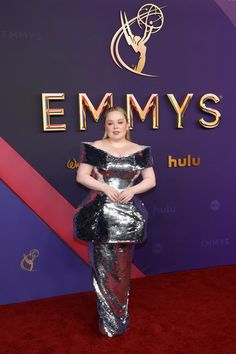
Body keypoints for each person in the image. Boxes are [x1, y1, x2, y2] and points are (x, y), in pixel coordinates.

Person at [73, 106, 156, 337]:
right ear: (105, 126)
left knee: (121, 267)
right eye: (111, 123)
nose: (116, 127)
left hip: (128, 215)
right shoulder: (94, 148)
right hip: (103, 215)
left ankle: (119, 314)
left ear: (127, 124)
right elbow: (81, 176)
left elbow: (150, 180)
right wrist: (104, 187)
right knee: (103, 267)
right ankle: (108, 318)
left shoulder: (141, 151)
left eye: (120, 122)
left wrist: (133, 190)